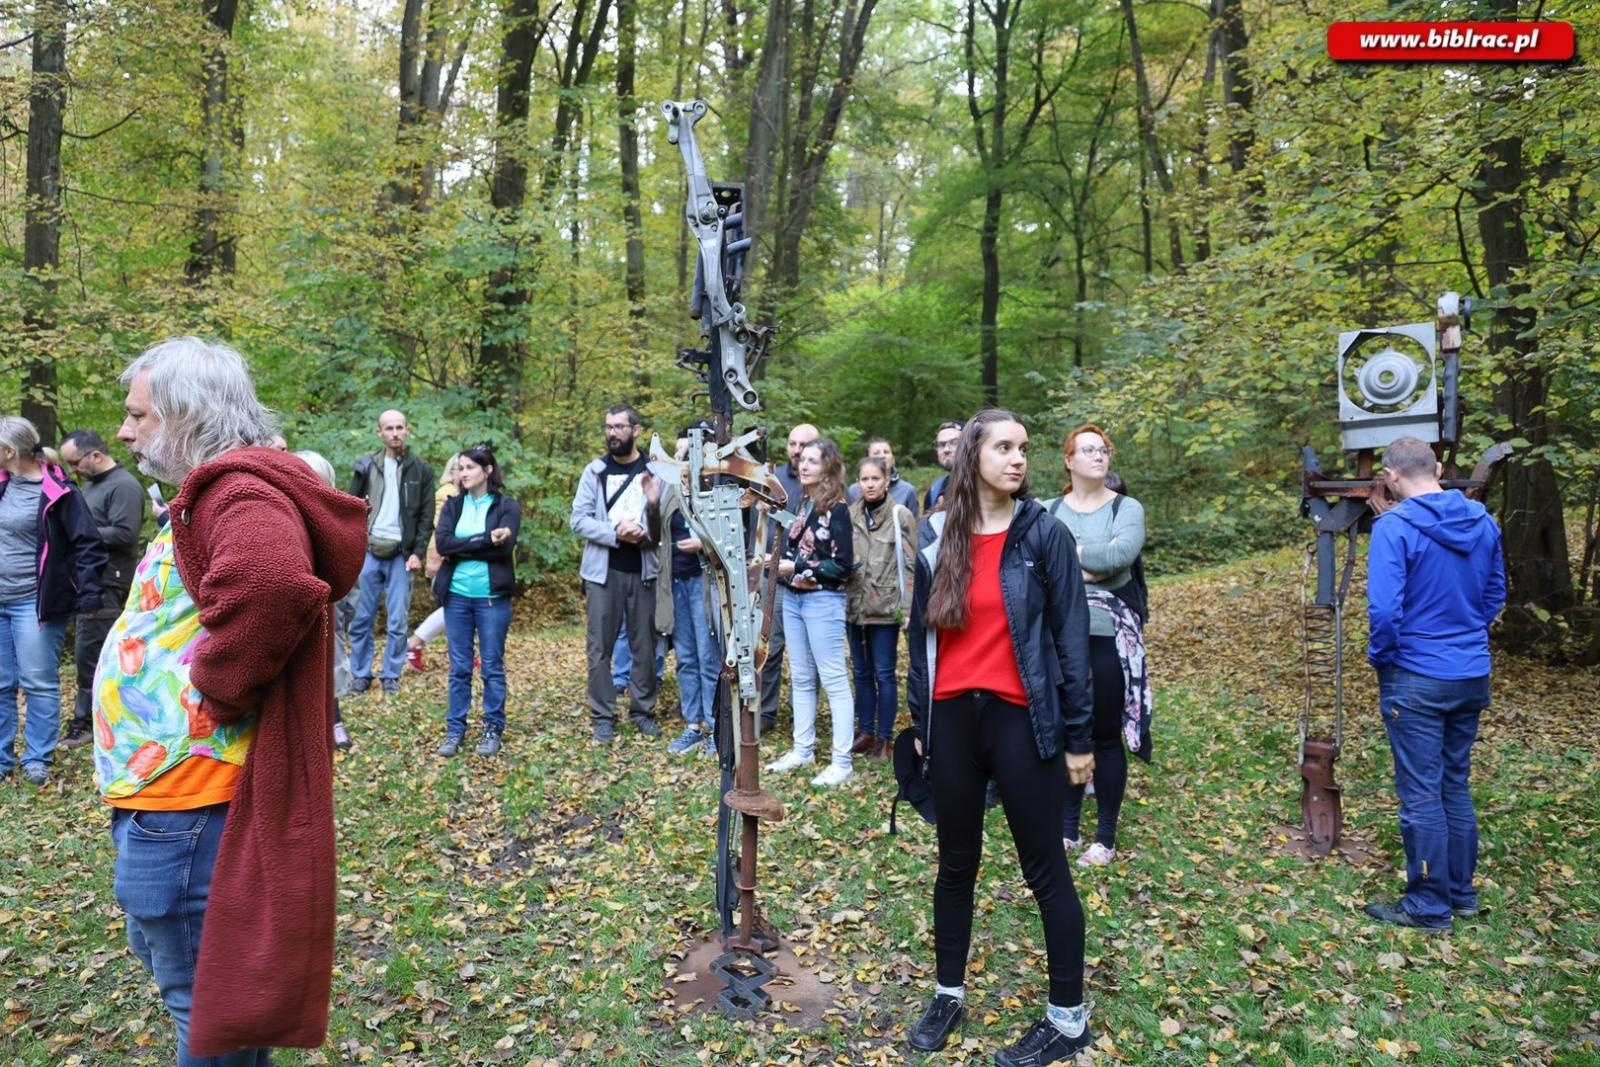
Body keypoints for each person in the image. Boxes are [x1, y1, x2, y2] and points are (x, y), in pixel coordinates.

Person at [96, 336, 365, 1063]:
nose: (125, 431)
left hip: (191, 804)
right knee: (202, 999)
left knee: (210, 1017)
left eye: (138, 415)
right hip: (168, 799)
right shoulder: (216, 489)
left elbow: (273, 584)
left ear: (186, 415)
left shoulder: (237, 489)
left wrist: (219, 683)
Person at [904, 409, 1096, 1065]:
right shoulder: (937, 537)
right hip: (953, 720)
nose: (1018, 458)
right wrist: (920, 723)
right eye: (1004, 447)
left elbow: (1071, 640)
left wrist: (1078, 736)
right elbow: (919, 640)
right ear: (972, 457)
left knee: (1045, 869)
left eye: (1024, 448)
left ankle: (1068, 1021)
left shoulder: (1044, 535)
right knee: (956, 865)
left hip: (1022, 719)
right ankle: (947, 992)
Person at [1363, 435, 1505, 931]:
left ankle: (1428, 905)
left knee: (1422, 793)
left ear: (1390, 475)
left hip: (1416, 674)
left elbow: (1383, 610)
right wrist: (1465, 634)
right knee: (1454, 784)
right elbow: (1494, 594)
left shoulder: (1394, 527)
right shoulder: (1484, 521)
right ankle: (1460, 893)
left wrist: (1384, 657)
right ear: (1439, 468)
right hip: (1470, 671)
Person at [1048, 424, 1150, 868]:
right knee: (1067, 730)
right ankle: (1067, 829)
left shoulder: (1126, 508)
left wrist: (1069, 560)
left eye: (1103, 449)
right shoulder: (1048, 509)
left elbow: (1118, 559)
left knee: (1105, 735)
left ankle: (1104, 837)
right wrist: (1090, 563)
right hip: (1055, 635)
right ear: (1069, 460)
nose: (1098, 456)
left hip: (1108, 634)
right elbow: (1037, 566)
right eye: (1087, 450)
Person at [0, 418, 106, 786]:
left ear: (10, 451)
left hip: (35, 602)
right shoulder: (2, 484)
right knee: (0, 683)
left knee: (38, 681)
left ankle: (36, 758)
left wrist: (89, 594)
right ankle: (1, 759)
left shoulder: (59, 492)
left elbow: (88, 545)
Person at [569, 403, 666, 745]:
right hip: (603, 573)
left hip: (642, 571)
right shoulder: (594, 472)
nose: (612, 433)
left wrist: (652, 507)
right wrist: (615, 531)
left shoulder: (655, 471)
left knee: (645, 646)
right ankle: (603, 716)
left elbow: (660, 532)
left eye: (620, 427)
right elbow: (578, 520)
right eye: (608, 427)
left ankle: (642, 711)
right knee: (599, 649)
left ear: (636, 430)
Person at [764, 438, 857, 787]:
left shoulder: (838, 509)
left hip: (822, 600)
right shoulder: (803, 501)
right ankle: (802, 750)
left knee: (832, 678)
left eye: (813, 461)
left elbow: (844, 565)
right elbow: (792, 536)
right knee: (801, 677)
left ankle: (841, 761)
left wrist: (797, 566)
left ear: (829, 467)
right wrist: (767, 512)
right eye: (802, 460)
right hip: (793, 599)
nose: (804, 466)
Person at [58, 429, 146, 749]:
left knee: (92, 654)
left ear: (96, 455)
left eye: (76, 463)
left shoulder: (123, 486)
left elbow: (124, 534)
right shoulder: (90, 486)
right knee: (87, 652)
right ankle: (94, 720)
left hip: (109, 581)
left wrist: (79, 531)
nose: (74, 471)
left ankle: (87, 725)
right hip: (88, 581)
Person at [433, 443, 521, 757]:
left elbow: (501, 549)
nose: (463, 473)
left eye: (470, 467)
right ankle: (455, 729)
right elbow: (443, 543)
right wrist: (484, 539)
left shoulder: (506, 506)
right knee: (459, 667)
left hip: (491, 598)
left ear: (486, 471)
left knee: (492, 667)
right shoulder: (453, 506)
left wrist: (465, 546)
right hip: (456, 596)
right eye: (460, 467)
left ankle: (492, 727)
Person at [347, 409, 435, 695]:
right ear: (380, 433)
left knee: (398, 620)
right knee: (361, 618)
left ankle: (390, 675)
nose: (395, 433)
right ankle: (360, 673)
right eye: (389, 428)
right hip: (369, 550)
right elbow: (351, 507)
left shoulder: (421, 470)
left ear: (407, 430)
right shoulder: (366, 467)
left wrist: (417, 552)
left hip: (402, 553)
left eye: (399, 427)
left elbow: (425, 515)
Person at [847, 456, 916, 761]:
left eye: (876, 478)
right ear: (858, 483)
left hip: (885, 607)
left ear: (887, 480)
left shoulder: (900, 515)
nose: (870, 484)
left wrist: (909, 608)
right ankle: (865, 730)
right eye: (865, 479)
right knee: (861, 672)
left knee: (884, 674)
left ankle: (884, 739)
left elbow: (911, 566)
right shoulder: (850, 515)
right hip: (855, 606)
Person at [662, 427, 722, 757]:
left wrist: (705, 542)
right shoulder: (672, 488)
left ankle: (716, 727)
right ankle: (693, 725)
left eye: (689, 453)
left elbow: (733, 535)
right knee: (685, 657)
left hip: (704, 581)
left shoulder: (716, 488)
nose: (683, 459)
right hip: (676, 582)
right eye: (679, 453)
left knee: (707, 656)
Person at [758, 422, 819, 733]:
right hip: (774, 579)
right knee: (770, 647)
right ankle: (766, 713)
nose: (796, 451)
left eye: (803, 445)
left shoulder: (824, 483)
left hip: (810, 581)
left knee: (806, 653)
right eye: (792, 444)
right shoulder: (773, 478)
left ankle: (802, 715)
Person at [406, 452, 463, 672]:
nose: (465, 472)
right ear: (452, 471)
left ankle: (461, 654)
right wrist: (435, 559)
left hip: (454, 559)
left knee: (456, 609)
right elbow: (442, 530)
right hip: (443, 558)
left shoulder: (461, 494)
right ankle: (414, 643)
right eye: (461, 467)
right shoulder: (446, 494)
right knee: (452, 607)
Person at [847, 436, 919, 518]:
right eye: (876, 453)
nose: (882, 456)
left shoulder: (907, 491)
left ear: (893, 459)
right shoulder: (854, 491)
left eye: (886, 452)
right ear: (867, 459)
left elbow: (914, 527)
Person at [923, 419, 963, 512]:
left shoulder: (986, 486)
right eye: (941, 445)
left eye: (954, 443)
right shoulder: (934, 492)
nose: (946, 449)